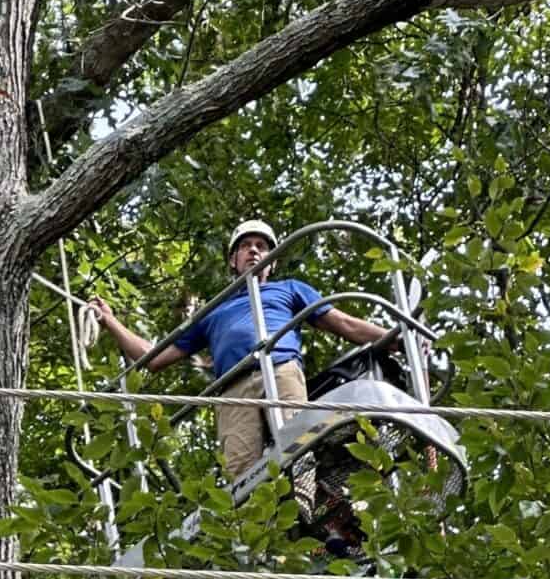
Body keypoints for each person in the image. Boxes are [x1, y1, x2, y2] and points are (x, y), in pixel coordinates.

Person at [90, 219, 390, 541]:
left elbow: (344, 324)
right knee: (242, 471)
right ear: (233, 260)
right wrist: (111, 323)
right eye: (246, 246)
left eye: (261, 246)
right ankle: (259, 540)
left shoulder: (289, 289)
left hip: (280, 367)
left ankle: (305, 513)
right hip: (234, 389)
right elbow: (154, 358)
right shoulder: (214, 311)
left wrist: (396, 335)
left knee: (299, 439)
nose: (253, 251)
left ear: (272, 262)